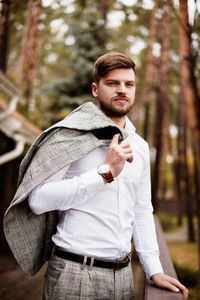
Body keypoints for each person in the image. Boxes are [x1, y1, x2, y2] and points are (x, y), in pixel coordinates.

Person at [4, 52, 188, 300]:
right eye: (112, 83)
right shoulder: (69, 136)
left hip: (123, 278)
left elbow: (142, 210)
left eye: (129, 84)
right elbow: (38, 201)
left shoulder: (140, 147)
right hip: (73, 273)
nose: (122, 90)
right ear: (95, 89)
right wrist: (105, 173)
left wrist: (154, 269)